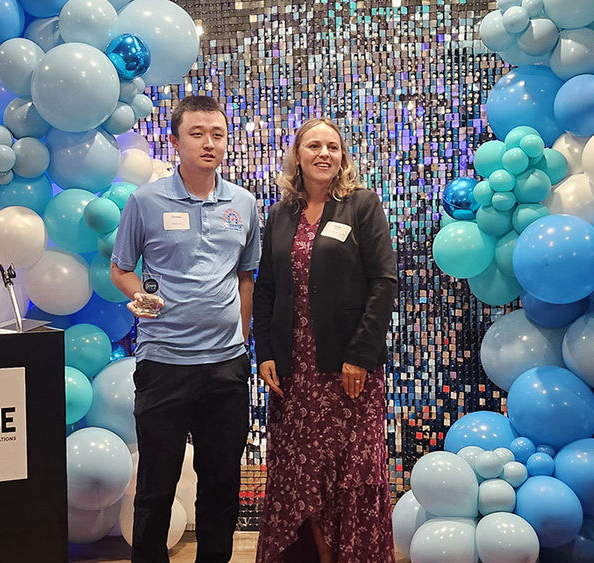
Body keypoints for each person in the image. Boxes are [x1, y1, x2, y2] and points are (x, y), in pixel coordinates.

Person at [110, 95, 261, 563]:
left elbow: (245, 278)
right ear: (175, 141)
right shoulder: (145, 201)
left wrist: (240, 339)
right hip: (163, 364)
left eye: (217, 134)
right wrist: (141, 296)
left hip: (226, 368)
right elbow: (120, 269)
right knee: (156, 486)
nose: (209, 143)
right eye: (196, 134)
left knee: (221, 486)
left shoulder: (243, 203)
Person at [253, 118, 397, 562]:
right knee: (302, 477)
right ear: (297, 155)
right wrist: (266, 353)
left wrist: (359, 356)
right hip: (294, 377)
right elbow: (266, 289)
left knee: (348, 476)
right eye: (313, 145)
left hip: (347, 373)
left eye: (332, 147)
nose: (323, 153)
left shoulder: (361, 204)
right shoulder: (279, 214)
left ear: (342, 156)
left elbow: (384, 282)